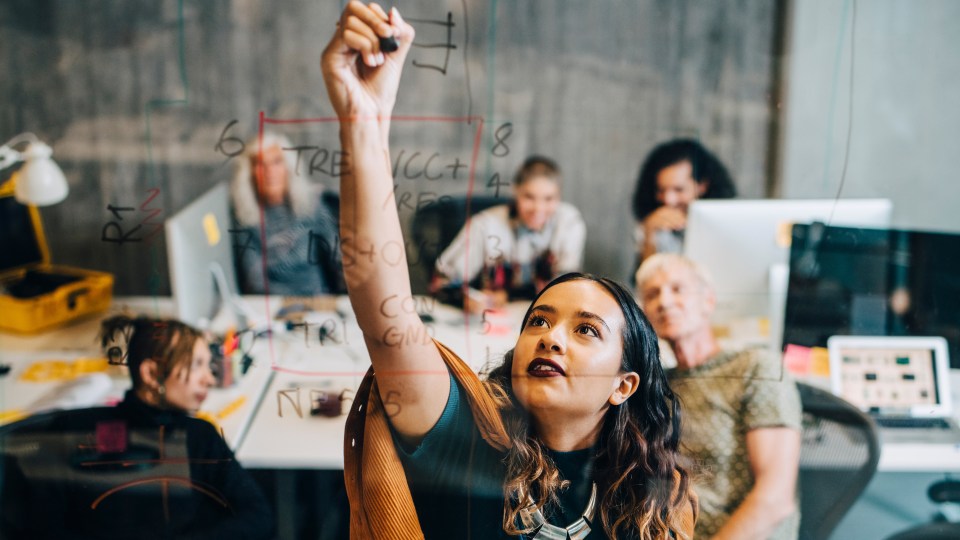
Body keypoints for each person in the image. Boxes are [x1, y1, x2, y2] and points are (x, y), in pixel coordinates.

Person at [321, 3, 696, 538]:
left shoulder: (645, 498)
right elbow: (386, 314)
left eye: (585, 329)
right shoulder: (461, 439)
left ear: (623, 384)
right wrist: (363, 120)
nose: (549, 338)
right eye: (538, 322)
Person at [0, 315, 275, 539]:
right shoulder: (196, 437)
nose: (209, 379)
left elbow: (258, 517)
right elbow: (259, 518)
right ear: (152, 373)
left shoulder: (78, 428)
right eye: (197, 366)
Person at [635, 254, 801, 539]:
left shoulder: (755, 368)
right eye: (653, 294)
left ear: (708, 302)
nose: (664, 301)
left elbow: (775, 499)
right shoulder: (658, 385)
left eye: (677, 289)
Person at [431, 155, 587, 313]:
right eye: (529, 197)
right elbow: (441, 282)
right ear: (516, 192)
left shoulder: (569, 222)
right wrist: (465, 300)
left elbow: (566, 287)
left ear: (559, 197)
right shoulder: (485, 225)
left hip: (540, 317)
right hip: (488, 320)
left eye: (548, 199)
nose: (538, 208)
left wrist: (507, 296)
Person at [230, 130, 343, 295]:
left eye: (277, 162)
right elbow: (254, 282)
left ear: (288, 167)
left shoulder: (313, 205)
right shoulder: (245, 218)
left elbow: (338, 262)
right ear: (250, 173)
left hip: (320, 302)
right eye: (261, 164)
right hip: (273, 307)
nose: (270, 171)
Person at [631, 139, 737, 262]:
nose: (668, 200)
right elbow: (646, 279)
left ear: (701, 186)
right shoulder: (651, 224)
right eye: (661, 190)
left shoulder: (728, 223)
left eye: (678, 190)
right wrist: (649, 235)